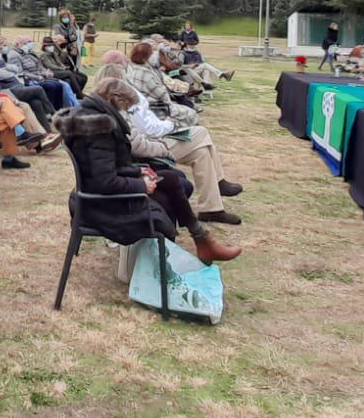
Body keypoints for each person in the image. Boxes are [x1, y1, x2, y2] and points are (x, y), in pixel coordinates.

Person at [58, 82, 240, 265]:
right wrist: (141, 185)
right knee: (167, 195)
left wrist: (137, 171)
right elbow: (104, 182)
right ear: (116, 100)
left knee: (171, 179)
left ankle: (202, 239)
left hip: (94, 197)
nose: (127, 113)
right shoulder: (99, 129)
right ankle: (175, 255)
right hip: (102, 205)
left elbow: (102, 170)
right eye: (127, 108)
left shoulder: (88, 117)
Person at [96, 63, 242, 224]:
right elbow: (139, 141)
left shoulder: (115, 105)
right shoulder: (119, 109)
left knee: (201, 152)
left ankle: (211, 209)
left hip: (153, 140)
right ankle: (218, 183)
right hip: (151, 149)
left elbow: (143, 128)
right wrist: (168, 131)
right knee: (201, 133)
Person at [0, 34, 57, 140]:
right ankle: (26, 135)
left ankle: (41, 137)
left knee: (31, 103)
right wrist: (4, 95)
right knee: (11, 103)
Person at [126, 41, 199, 127]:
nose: (167, 44)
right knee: (182, 74)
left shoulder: (134, 69)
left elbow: (176, 63)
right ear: (145, 56)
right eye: (152, 52)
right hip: (158, 105)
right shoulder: (146, 73)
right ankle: (191, 90)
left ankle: (192, 89)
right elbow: (161, 94)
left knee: (183, 72)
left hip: (169, 77)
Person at [4, 35, 80, 108]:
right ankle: (52, 110)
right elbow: (21, 73)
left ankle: (60, 108)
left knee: (60, 84)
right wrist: (39, 77)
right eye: (27, 42)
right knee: (53, 85)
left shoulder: (28, 52)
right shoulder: (14, 55)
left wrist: (45, 72)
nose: (30, 44)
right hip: (29, 80)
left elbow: (39, 66)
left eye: (30, 41)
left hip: (39, 76)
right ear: (18, 44)